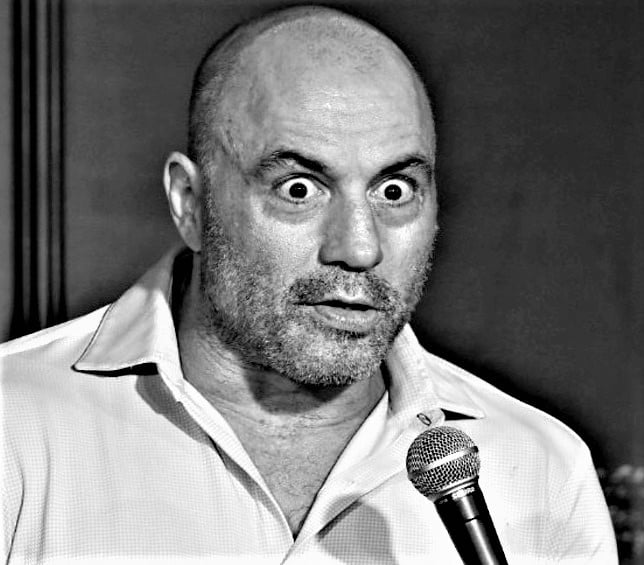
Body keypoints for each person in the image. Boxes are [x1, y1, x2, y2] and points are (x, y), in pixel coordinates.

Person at [1, 5, 617, 564]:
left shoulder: (541, 470)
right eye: (299, 189)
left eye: (394, 190)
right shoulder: (15, 428)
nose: (359, 247)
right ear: (191, 202)